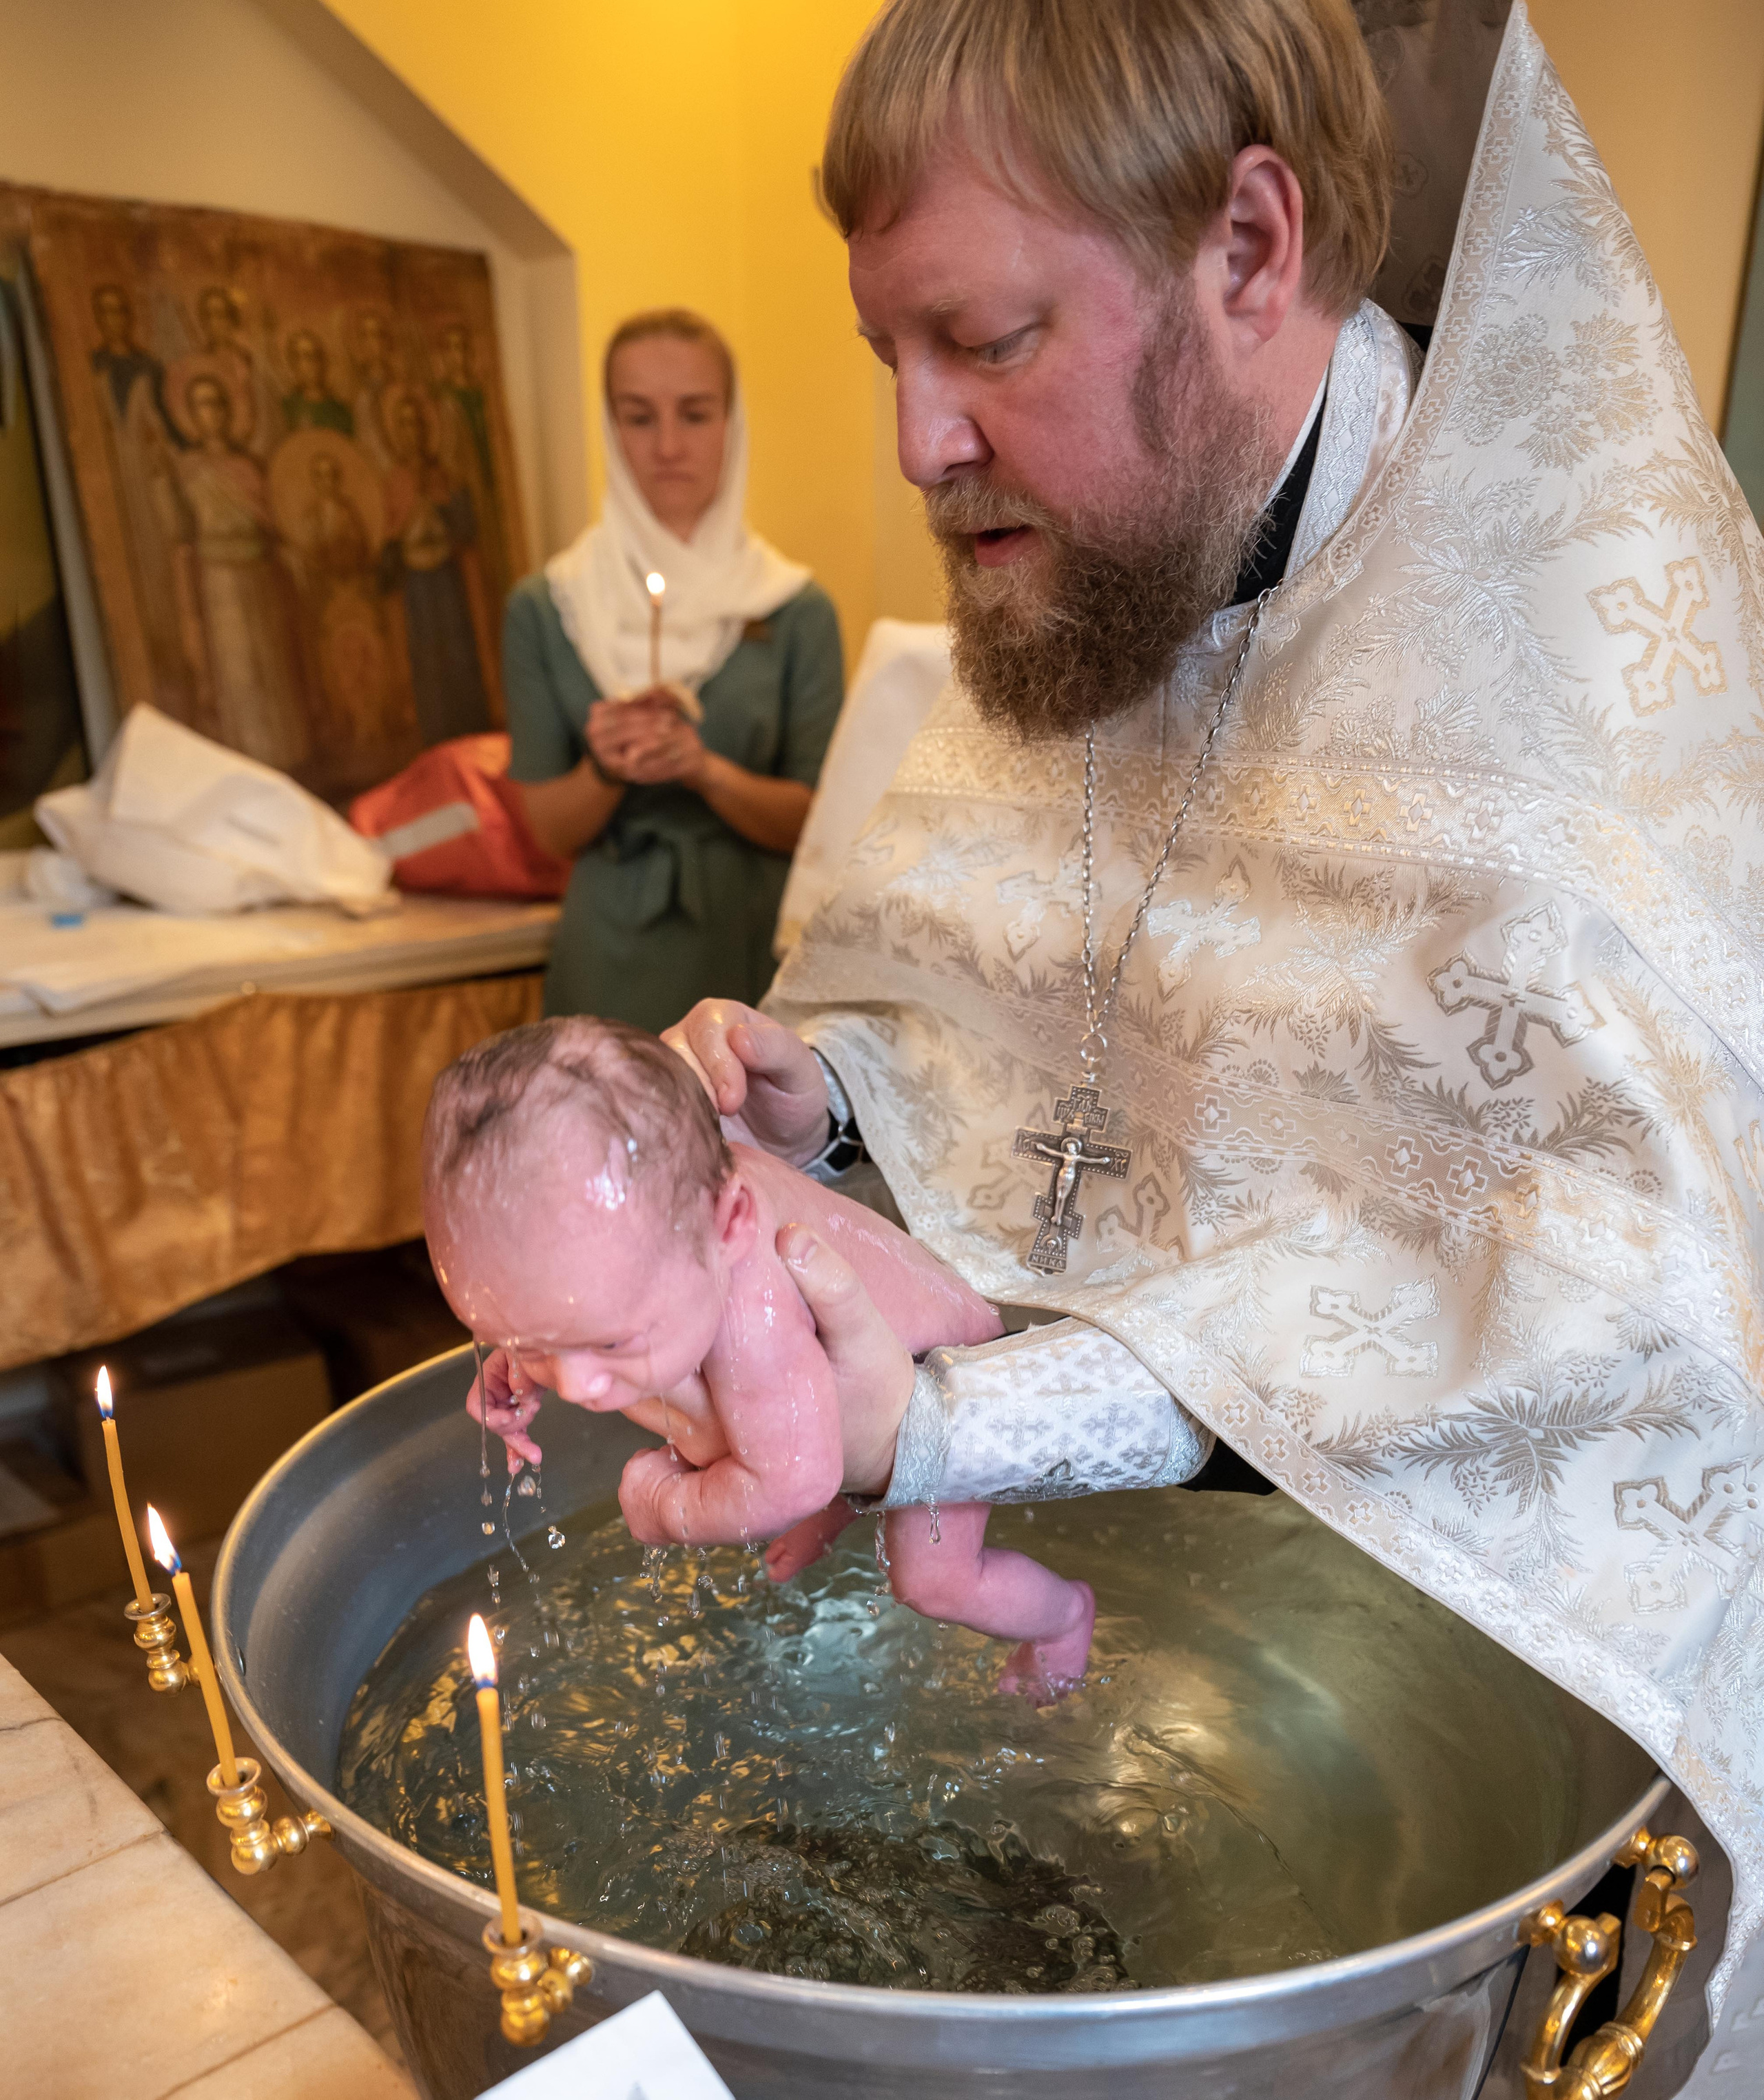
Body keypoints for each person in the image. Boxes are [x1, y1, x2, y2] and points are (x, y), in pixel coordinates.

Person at [657, 0, 1764, 2068]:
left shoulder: (1567, 721)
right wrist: (845, 1100)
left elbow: (1560, 1366)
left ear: (1248, 249)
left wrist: (963, 1427)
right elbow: (1025, 1028)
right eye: (882, 346)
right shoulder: (1102, 565)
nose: (914, 441)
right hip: (1118, 1721)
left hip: (1480, 1776)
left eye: (983, 341)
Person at [421, 1017, 1095, 1694]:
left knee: (933, 1583)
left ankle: (1062, 1619)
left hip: (951, 1383)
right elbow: (566, 1307)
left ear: (731, 1225)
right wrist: (518, 1358)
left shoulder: (754, 1304)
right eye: (527, 1338)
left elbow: (792, 1481)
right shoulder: (668, 1216)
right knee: (754, 1413)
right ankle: (845, 1505)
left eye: (610, 1342)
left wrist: (661, 1506)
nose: (578, 1385)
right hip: (835, 1375)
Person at [502, 310, 843, 1031]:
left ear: (733, 421)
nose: (666, 447)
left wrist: (704, 770)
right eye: (637, 417)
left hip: (754, 939)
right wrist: (606, 766)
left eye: (694, 414)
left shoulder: (794, 609)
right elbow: (549, 833)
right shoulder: (549, 607)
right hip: (610, 948)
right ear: (608, 427)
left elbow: (821, 823)